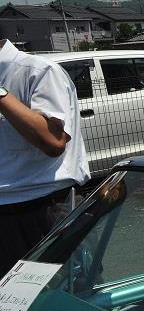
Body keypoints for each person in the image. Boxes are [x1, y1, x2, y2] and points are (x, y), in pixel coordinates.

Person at [0, 39, 90, 274]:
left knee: (70, 296)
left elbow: (53, 142)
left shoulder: (39, 72)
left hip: (46, 208)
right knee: (11, 305)